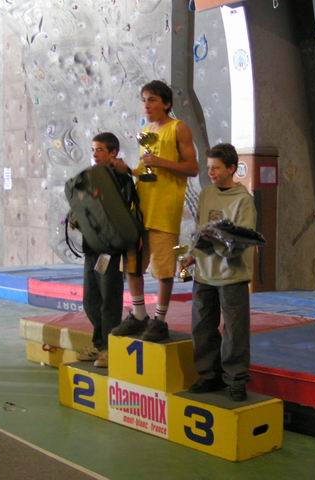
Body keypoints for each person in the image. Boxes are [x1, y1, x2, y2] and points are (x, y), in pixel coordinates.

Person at [111, 80, 198, 342]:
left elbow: (193, 168)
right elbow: (146, 171)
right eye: (144, 100)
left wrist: (161, 161)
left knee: (163, 269)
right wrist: (128, 170)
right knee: (133, 265)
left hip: (164, 211)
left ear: (167, 103)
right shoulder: (146, 131)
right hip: (141, 209)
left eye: (152, 100)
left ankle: (159, 320)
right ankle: (139, 315)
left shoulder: (178, 128)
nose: (146, 105)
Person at [185, 143, 257, 402]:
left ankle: (235, 379)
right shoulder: (206, 194)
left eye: (216, 168)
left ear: (231, 168)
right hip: (204, 273)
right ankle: (208, 375)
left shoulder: (243, 200)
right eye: (209, 168)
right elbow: (199, 227)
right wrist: (192, 255)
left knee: (235, 330)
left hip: (231, 275)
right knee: (202, 327)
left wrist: (217, 239)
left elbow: (242, 239)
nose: (211, 173)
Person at [72, 133, 134, 368]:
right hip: (91, 248)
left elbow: (125, 214)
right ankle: (100, 344)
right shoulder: (89, 178)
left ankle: (109, 349)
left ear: (113, 152)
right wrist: (76, 217)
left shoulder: (123, 180)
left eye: (99, 149)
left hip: (111, 250)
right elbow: (83, 205)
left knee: (109, 300)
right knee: (90, 300)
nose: (95, 154)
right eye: (93, 150)